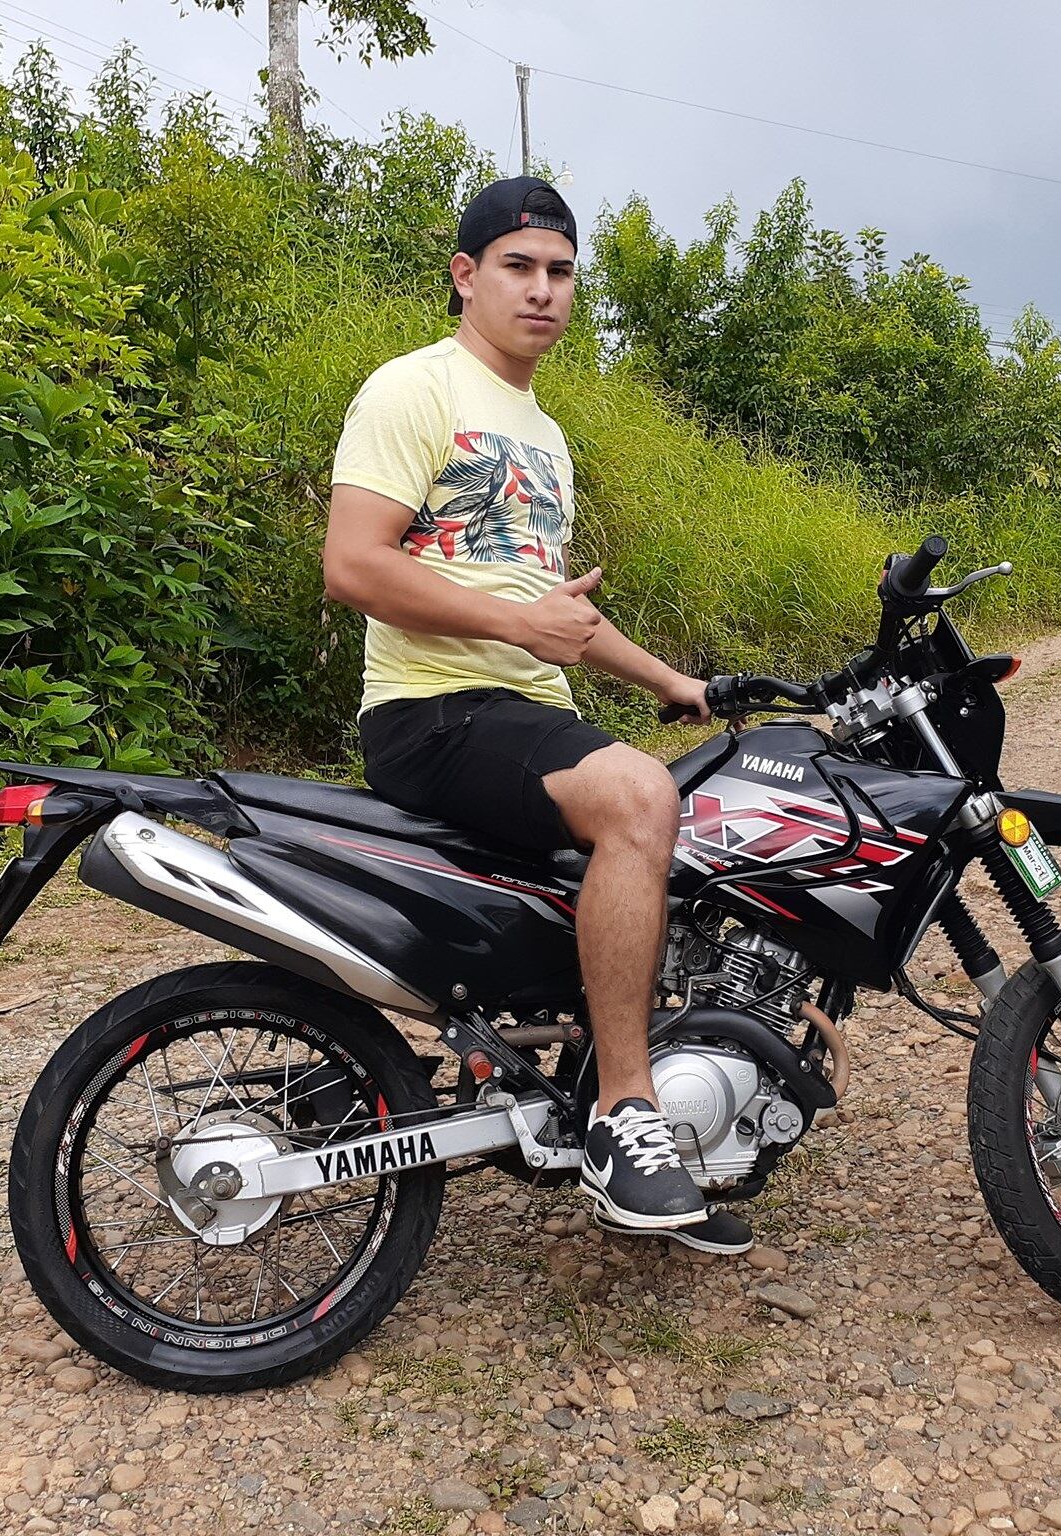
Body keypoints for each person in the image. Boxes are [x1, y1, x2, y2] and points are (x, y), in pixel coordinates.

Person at [322, 177, 751, 1256]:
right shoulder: (415, 388)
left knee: (704, 818)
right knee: (638, 797)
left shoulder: (544, 433)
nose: (543, 290)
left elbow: (551, 613)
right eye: (518, 266)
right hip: (432, 710)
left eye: (560, 272)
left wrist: (675, 684)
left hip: (518, 709)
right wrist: (518, 628)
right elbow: (353, 565)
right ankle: (624, 1117)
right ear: (465, 276)